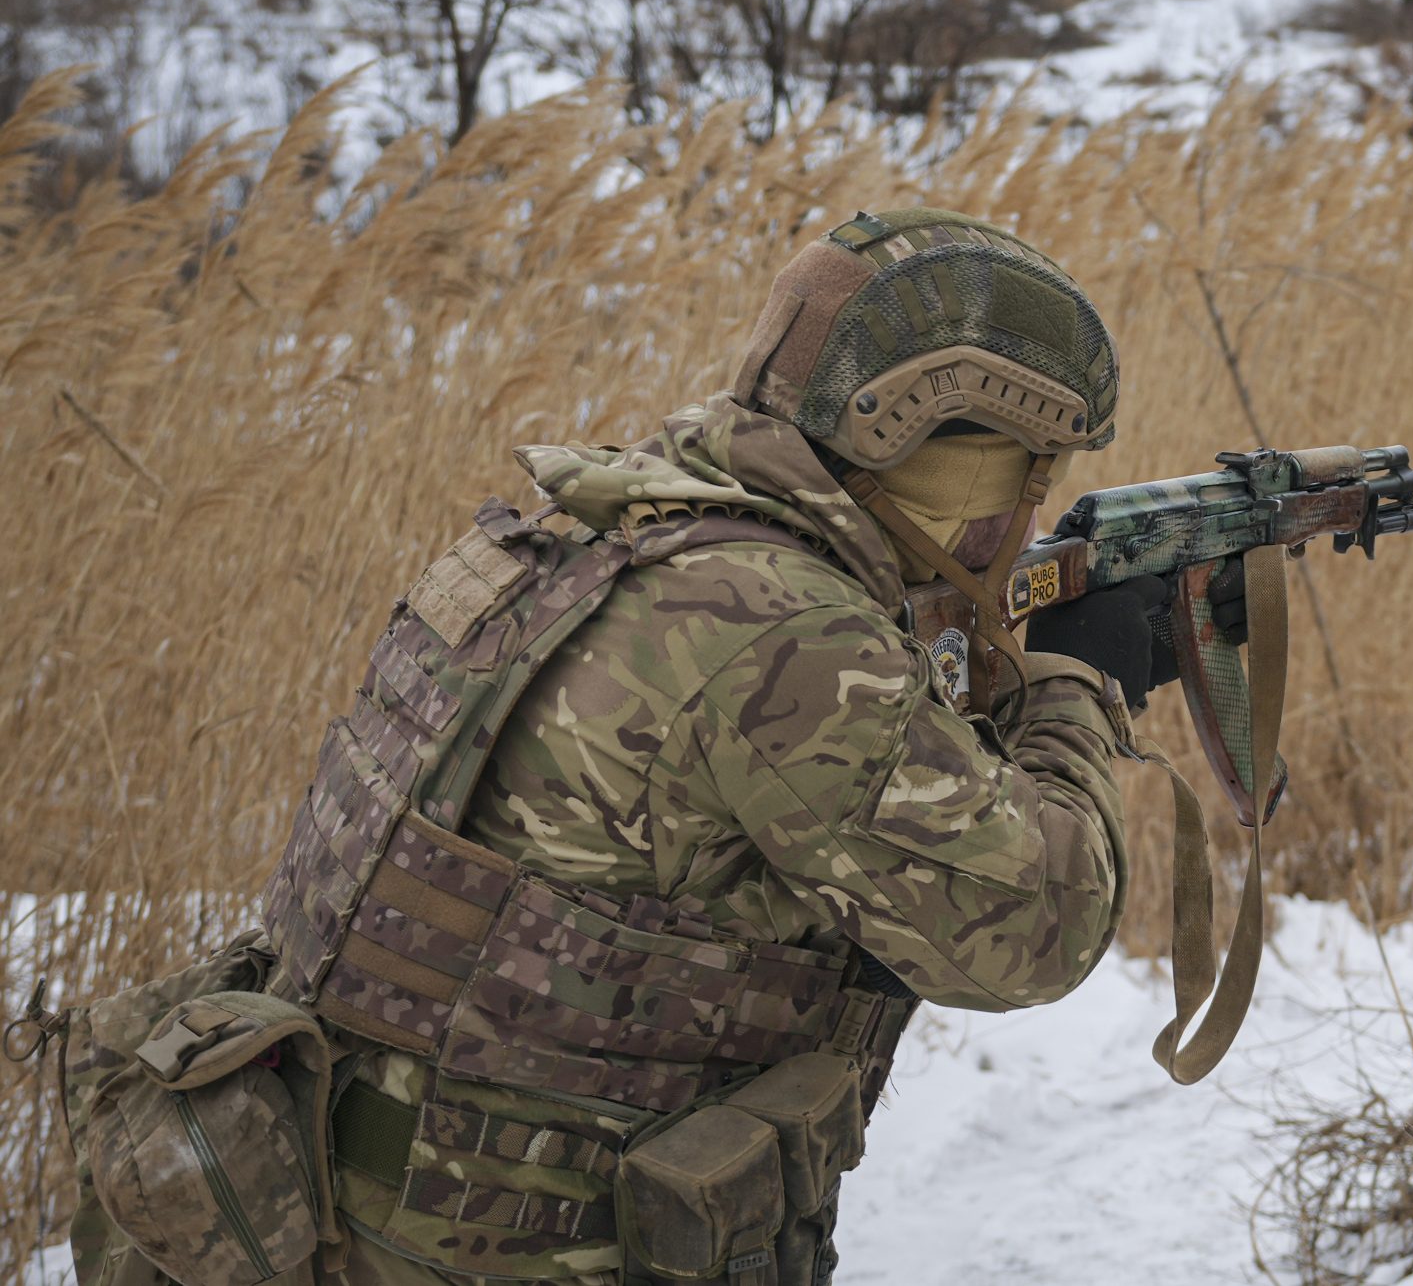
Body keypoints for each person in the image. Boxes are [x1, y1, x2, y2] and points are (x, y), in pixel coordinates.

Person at [95, 209, 1169, 1285]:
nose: (1026, 525)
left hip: (312, 1202)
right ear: (919, 455)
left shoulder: (596, 530)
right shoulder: (783, 632)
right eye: (1018, 480)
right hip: (494, 1250)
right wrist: (1082, 686)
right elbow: (1034, 931)